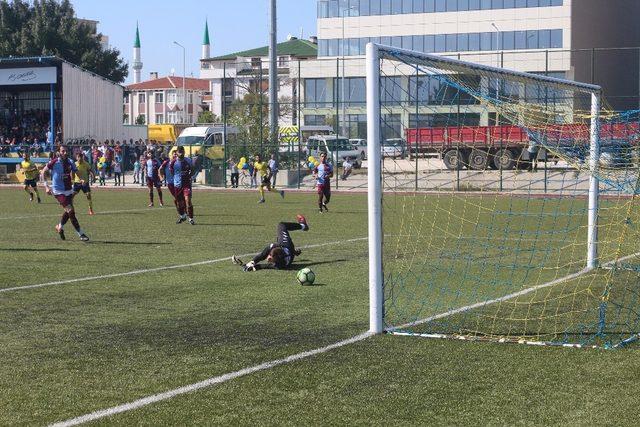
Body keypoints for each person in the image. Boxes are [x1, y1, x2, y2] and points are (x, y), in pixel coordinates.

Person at [41, 145, 89, 242]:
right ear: (59, 152)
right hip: (58, 192)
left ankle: (60, 226)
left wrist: (82, 179)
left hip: (68, 191)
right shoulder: (54, 162)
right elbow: (43, 172)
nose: (65, 153)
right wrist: (46, 186)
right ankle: (81, 233)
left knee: (68, 212)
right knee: (71, 211)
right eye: (63, 151)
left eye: (66, 151)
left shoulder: (70, 162)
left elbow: (76, 172)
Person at [232, 215, 309, 271]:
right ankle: (303, 226)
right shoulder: (274, 247)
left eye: (270, 257)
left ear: (276, 260)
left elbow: (264, 266)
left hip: (288, 251)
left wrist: (250, 266)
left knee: (280, 232)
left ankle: (294, 251)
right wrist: (253, 261)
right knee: (281, 225)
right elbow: (262, 255)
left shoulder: (280, 265)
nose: (268, 257)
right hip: (287, 245)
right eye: (270, 255)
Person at [171, 146, 195, 224]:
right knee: (179, 202)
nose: (181, 153)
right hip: (177, 185)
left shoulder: (188, 160)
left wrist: (189, 176)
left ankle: (191, 218)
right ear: (177, 153)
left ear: (184, 152)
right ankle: (183, 216)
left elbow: (193, 169)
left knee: (188, 200)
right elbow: (172, 172)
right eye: (179, 151)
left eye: (182, 151)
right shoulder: (173, 162)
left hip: (186, 185)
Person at [160, 151, 179, 217]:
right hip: (170, 183)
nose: (175, 156)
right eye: (174, 154)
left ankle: (181, 210)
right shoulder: (167, 162)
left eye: (176, 154)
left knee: (180, 197)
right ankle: (180, 209)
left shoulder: (179, 162)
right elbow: (160, 169)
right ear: (171, 155)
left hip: (178, 182)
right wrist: (161, 177)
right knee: (177, 197)